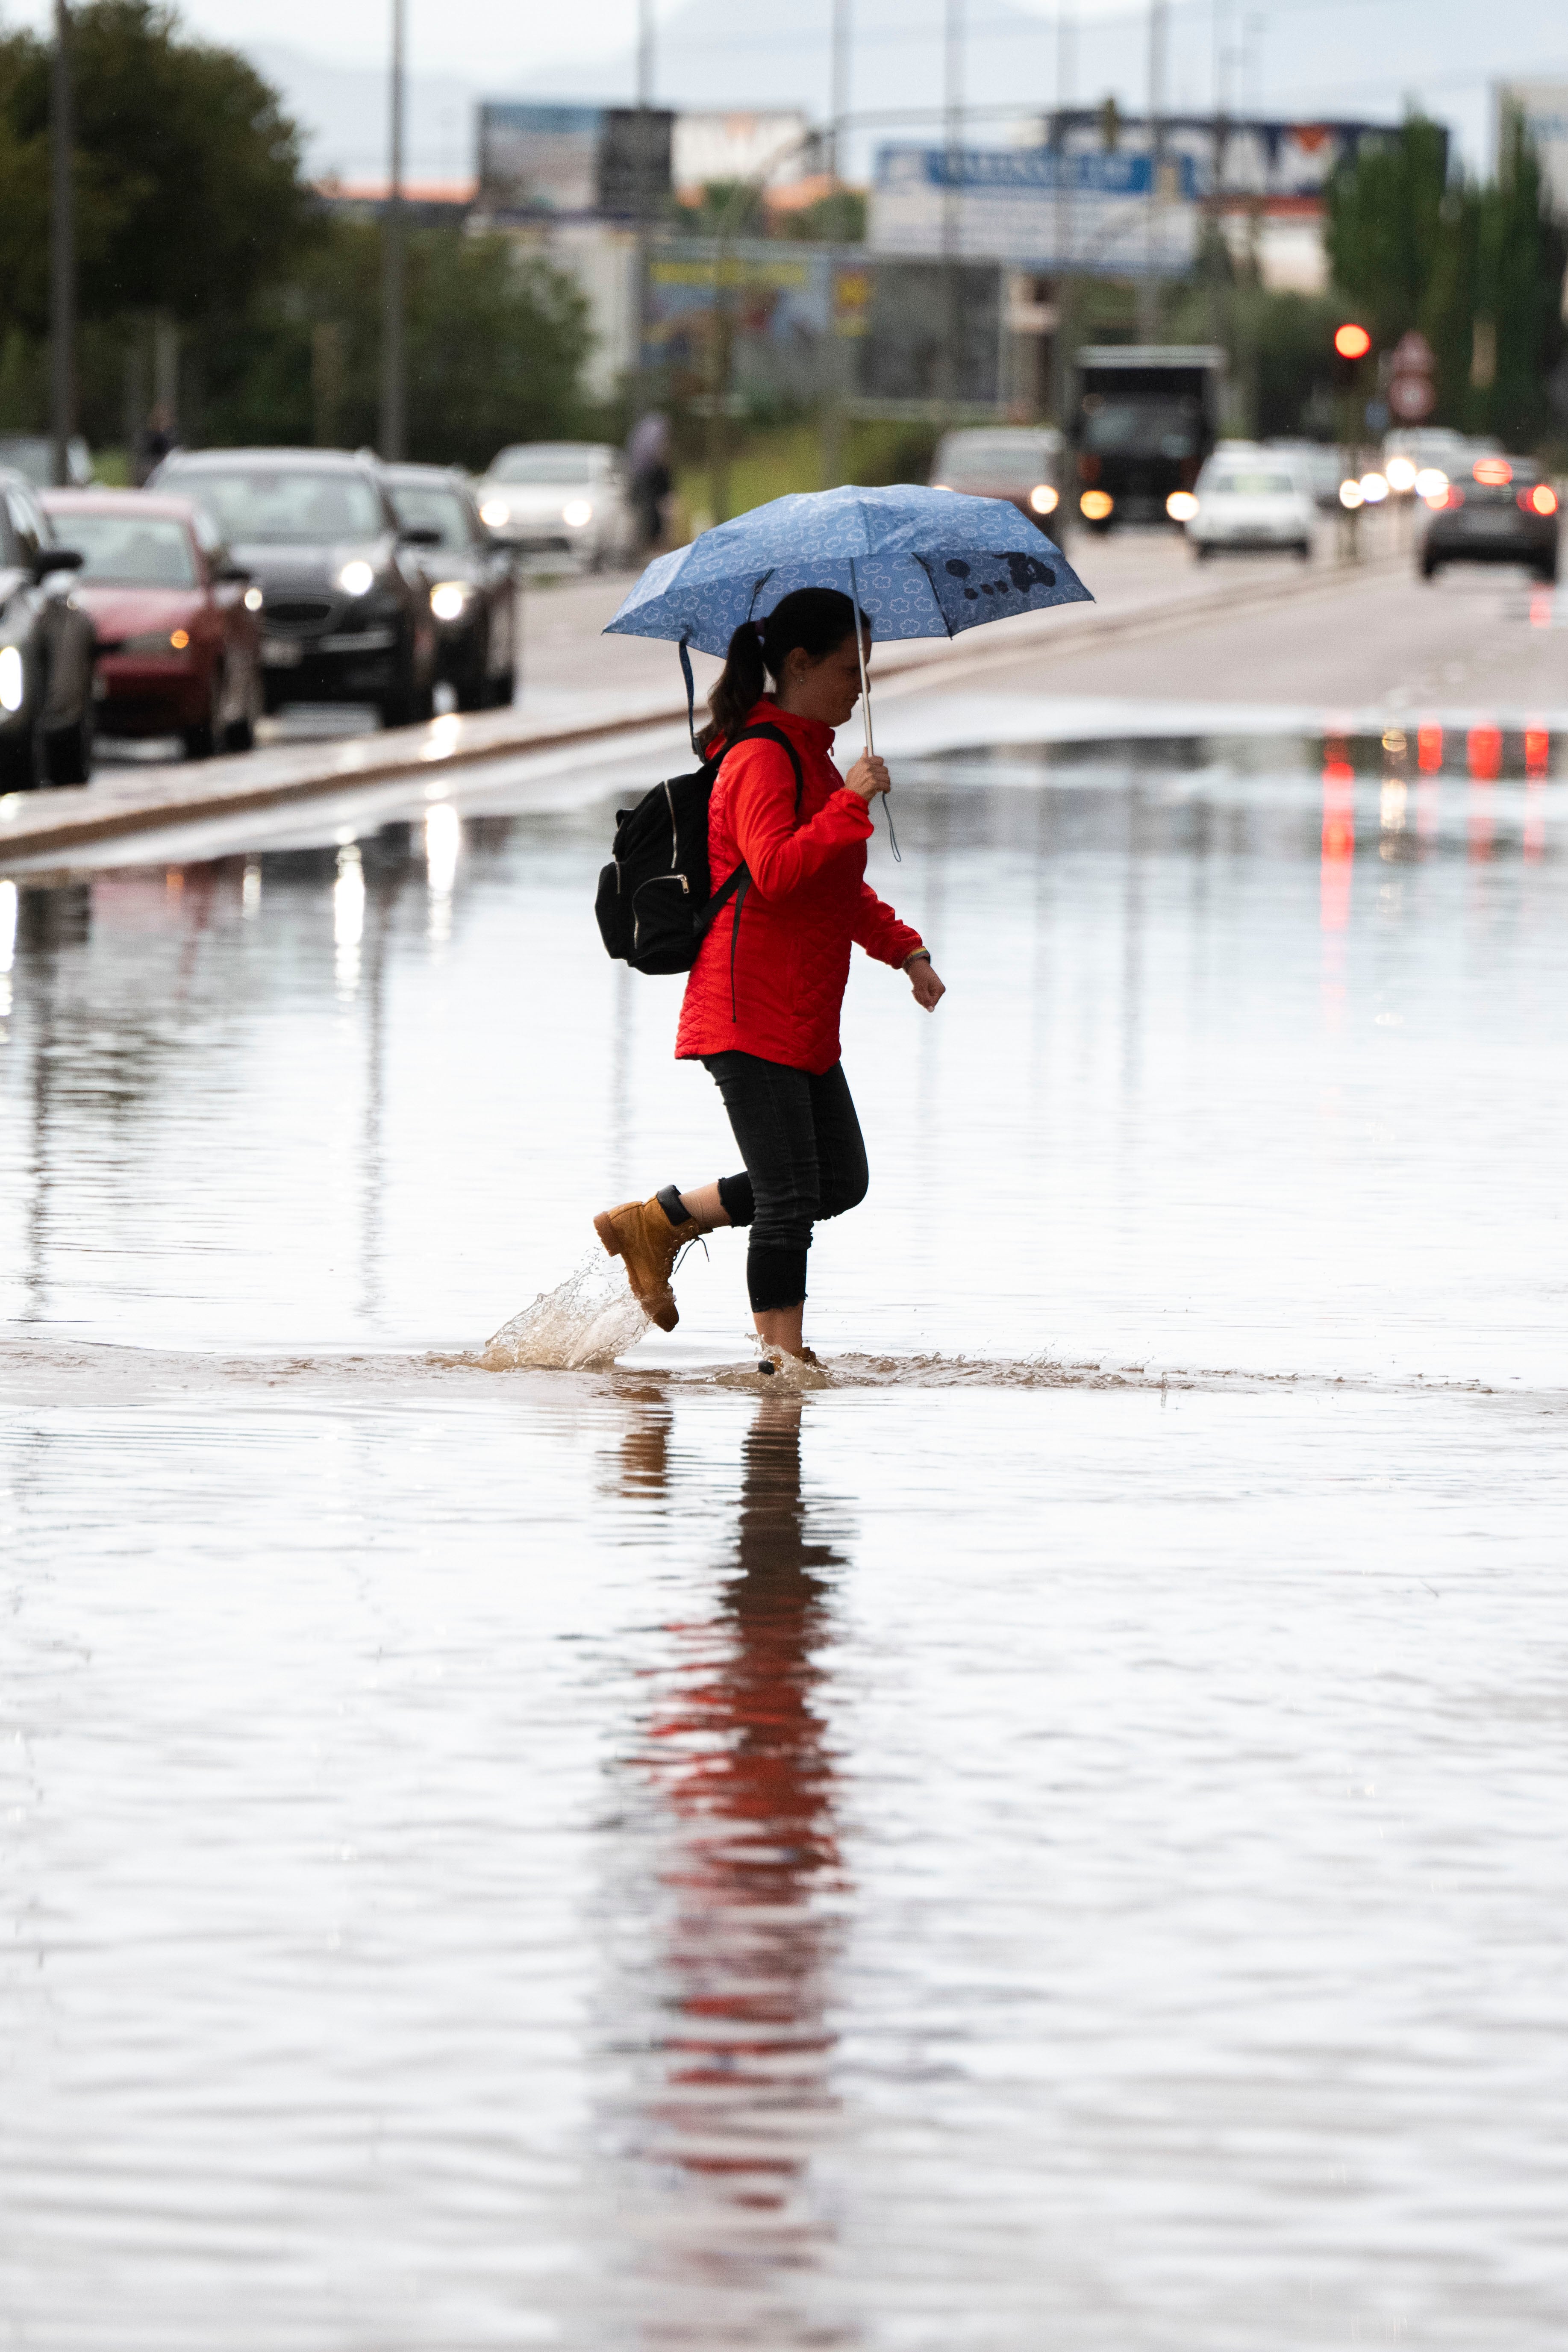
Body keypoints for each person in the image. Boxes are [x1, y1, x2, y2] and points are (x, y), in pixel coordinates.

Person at [594, 586, 945, 1371]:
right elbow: (780, 873)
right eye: (850, 667)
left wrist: (907, 953)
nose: (861, 685)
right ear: (797, 663)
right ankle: (780, 1365)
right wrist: (851, 803)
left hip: (803, 1011)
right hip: (748, 1005)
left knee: (838, 1180)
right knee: (789, 1198)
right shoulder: (759, 756)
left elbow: (835, 889)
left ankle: (661, 1221)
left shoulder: (813, 760)